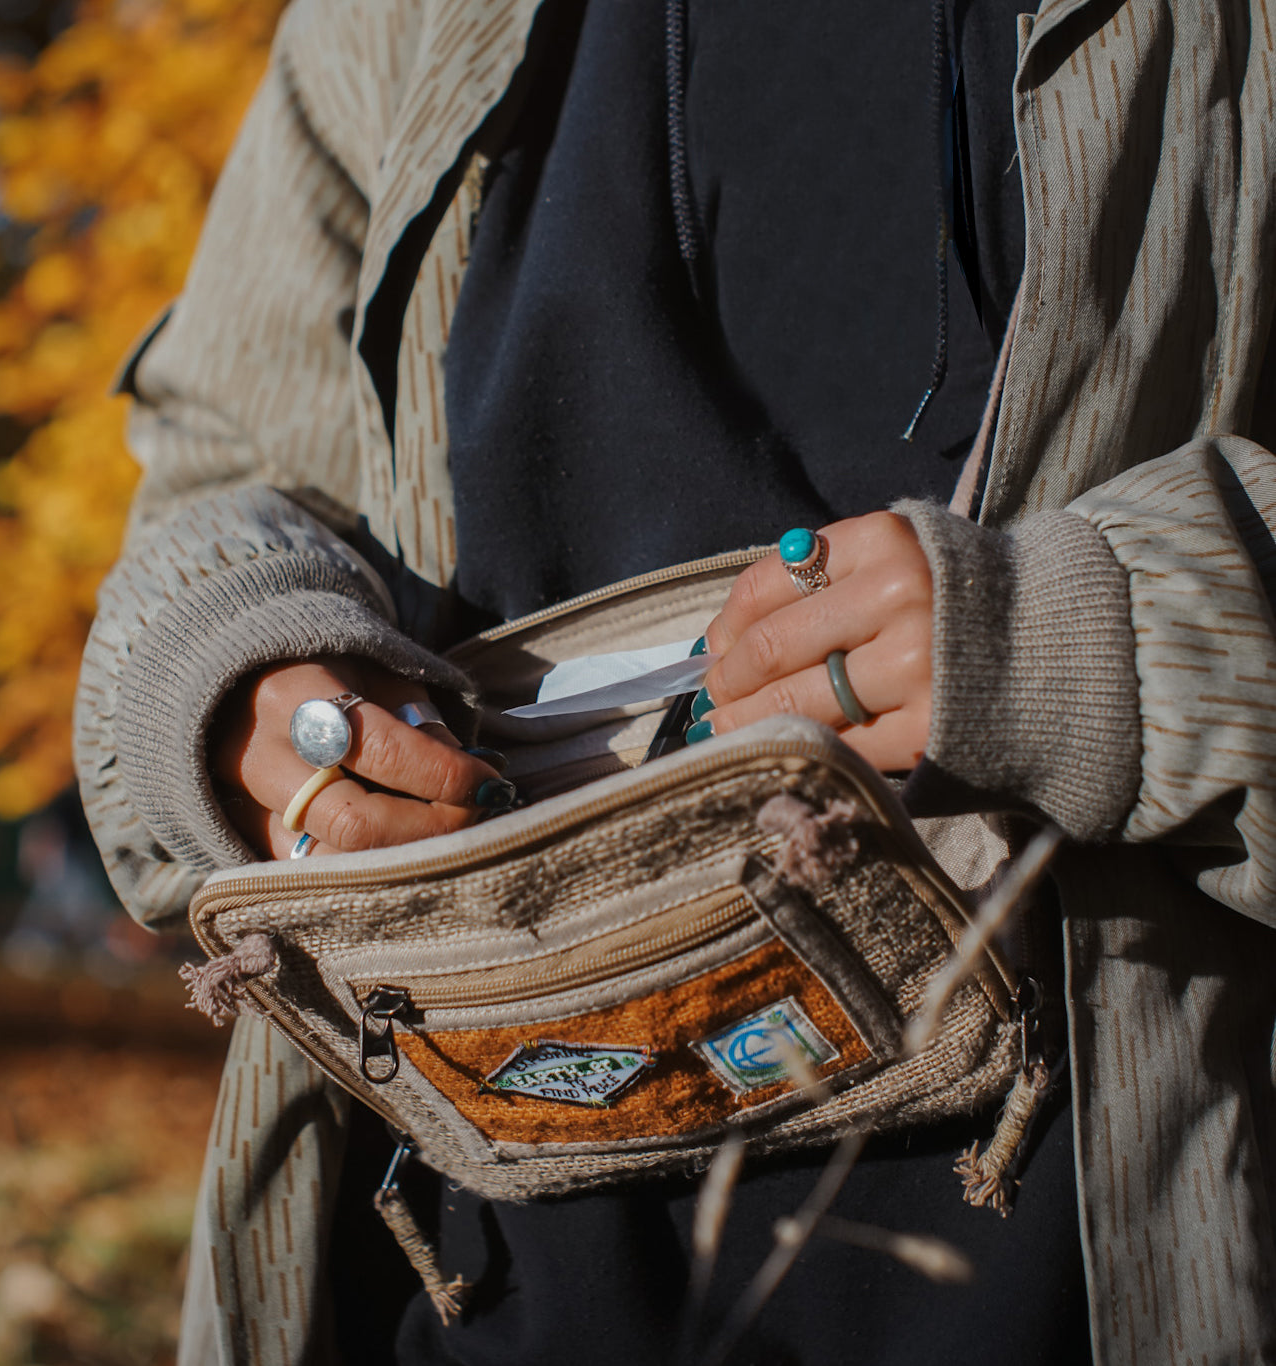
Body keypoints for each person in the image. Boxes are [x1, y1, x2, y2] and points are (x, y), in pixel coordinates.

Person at [75, 1, 1276, 1363]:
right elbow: (222, 459)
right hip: (457, 1275)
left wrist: (1105, 640)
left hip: (1078, 1254)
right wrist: (232, 680)